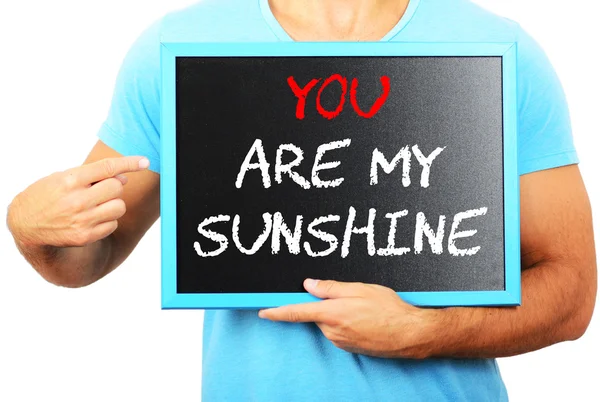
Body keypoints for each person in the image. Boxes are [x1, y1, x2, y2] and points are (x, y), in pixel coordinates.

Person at [6, 0, 597, 400]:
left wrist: (424, 332)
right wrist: (31, 228)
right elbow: (89, 258)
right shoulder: (180, 47)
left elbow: (571, 293)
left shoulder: (495, 48)